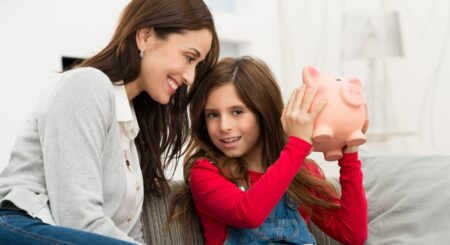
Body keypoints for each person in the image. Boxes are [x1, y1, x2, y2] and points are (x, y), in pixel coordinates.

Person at [0, 0, 219, 244]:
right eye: (189, 58)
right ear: (145, 36)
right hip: (22, 225)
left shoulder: (132, 128)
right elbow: (78, 220)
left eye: (197, 66)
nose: (190, 77)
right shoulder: (86, 85)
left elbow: (127, 234)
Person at [170, 56, 368, 245]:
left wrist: (350, 153)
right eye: (212, 115)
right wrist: (298, 145)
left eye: (237, 112)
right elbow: (249, 214)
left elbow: (352, 234)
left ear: (263, 112)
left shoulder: (301, 173)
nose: (224, 126)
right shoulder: (205, 172)